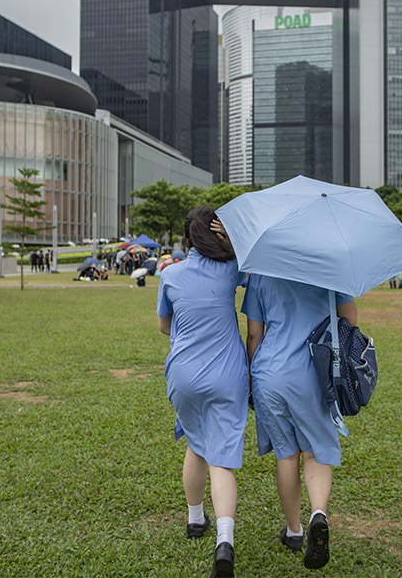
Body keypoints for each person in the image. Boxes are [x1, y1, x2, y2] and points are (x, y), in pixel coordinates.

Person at [241, 262, 357, 571]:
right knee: (315, 453)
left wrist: (252, 378)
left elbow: (254, 334)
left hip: (270, 372)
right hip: (313, 372)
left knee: (286, 456)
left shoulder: (261, 271)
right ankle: (318, 513)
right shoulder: (331, 266)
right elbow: (349, 322)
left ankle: (294, 531)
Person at [157, 207, 248, 578]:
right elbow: (253, 263)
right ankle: (223, 541)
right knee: (221, 457)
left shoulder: (170, 274)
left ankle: (196, 520)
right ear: (216, 234)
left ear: (186, 239)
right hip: (228, 374)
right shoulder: (232, 270)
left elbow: (165, 327)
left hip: (184, 374)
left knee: (196, 444)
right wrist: (231, 241)